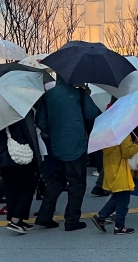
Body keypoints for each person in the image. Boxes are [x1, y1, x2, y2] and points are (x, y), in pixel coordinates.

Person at [35, 78, 100, 231]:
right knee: (77, 183)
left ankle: (44, 216)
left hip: (55, 145)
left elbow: (41, 121)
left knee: (56, 182)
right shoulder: (79, 94)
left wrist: (54, 132)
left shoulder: (48, 95)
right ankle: (71, 220)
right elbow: (92, 114)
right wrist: (87, 95)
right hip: (76, 145)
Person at [0, 110, 41, 234]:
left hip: (2, 156)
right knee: (27, 187)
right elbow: (27, 134)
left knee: (11, 188)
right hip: (19, 156)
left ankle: (14, 219)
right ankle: (16, 219)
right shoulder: (20, 111)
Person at [90, 131, 138, 235]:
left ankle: (100, 217)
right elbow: (127, 152)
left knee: (118, 197)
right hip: (121, 170)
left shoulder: (106, 135)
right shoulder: (122, 134)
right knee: (123, 200)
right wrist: (136, 145)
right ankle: (119, 226)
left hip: (111, 169)